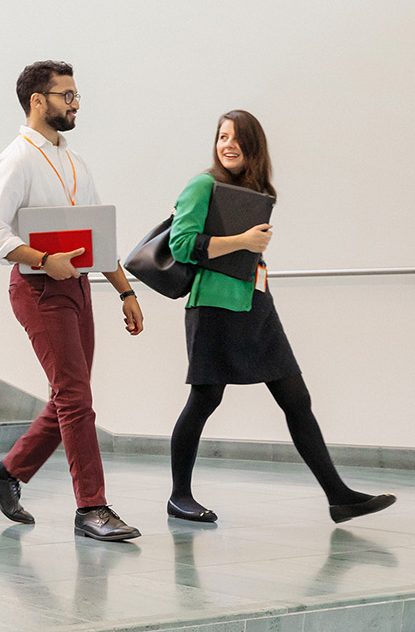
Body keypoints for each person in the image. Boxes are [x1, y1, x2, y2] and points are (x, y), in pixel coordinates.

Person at [165, 110, 394, 525]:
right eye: (221, 137)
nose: (227, 145)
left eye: (236, 138)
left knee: (296, 399)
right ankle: (179, 496)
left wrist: (249, 248)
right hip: (214, 307)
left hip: (256, 305)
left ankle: (338, 496)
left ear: (254, 145)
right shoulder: (203, 185)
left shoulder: (253, 192)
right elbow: (181, 246)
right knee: (205, 398)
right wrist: (242, 240)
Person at [0, 61, 146, 543]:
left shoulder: (73, 161)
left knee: (69, 395)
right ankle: (91, 507)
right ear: (37, 101)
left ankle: (5, 475)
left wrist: (125, 289)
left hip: (77, 286)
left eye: (75, 95)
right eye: (65, 95)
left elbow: (99, 236)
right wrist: (45, 259)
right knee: (75, 397)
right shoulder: (15, 159)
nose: (74, 103)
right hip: (39, 288)